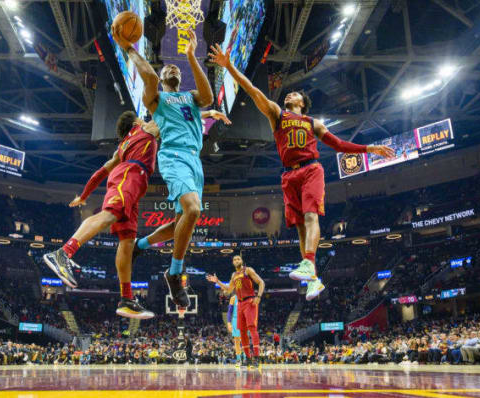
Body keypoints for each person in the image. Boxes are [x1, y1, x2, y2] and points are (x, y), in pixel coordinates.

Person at [208, 44, 394, 300]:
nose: (289, 95)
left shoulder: (312, 123)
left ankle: (308, 263)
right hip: (288, 175)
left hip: (310, 170)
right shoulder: (277, 114)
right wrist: (228, 66)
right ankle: (314, 278)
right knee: (298, 228)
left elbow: (339, 145)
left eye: (294, 94)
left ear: (302, 103)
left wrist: (369, 147)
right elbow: (252, 91)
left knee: (310, 218)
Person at [115, 26, 214, 308]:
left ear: (180, 77)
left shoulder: (191, 98)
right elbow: (147, 74)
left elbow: (206, 98)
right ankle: (174, 273)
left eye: (176, 67)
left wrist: (191, 57)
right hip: (173, 156)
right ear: (162, 77)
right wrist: (129, 47)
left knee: (182, 222)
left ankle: (140, 246)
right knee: (193, 210)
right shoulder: (157, 99)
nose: (172, 67)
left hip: (195, 161)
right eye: (167, 67)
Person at [44, 113, 160, 319]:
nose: (145, 119)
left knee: (128, 240)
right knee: (108, 215)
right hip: (131, 175)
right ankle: (63, 253)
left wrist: (84, 196)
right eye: (141, 118)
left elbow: (100, 172)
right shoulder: (144, 129)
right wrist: (205, 113)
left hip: (132, 179)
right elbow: (174, 115)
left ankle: (126, 298)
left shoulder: (122, 147)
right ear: (135, 123)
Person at [206, 255, 265, 369]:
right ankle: (248, 359)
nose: (236, 260)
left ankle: (256, 357)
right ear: (233, 262)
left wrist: (259, 296)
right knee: (242, 332)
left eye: (238, 259)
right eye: (234, 259)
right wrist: (217, 281)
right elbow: (228, 290)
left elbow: (261, 282)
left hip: (250, 301)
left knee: (252, 328)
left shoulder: (248, 270)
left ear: (242, 261)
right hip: (240, 304)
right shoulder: (233, 275)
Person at [226, 295, 245, 367]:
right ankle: (238, 359)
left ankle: (246, 359)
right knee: (237, 341)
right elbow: (229, 311)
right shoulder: (233, 298)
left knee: (245, 341)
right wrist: (229, 323)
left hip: (245, 320)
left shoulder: (247, 297)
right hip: (235, 320)